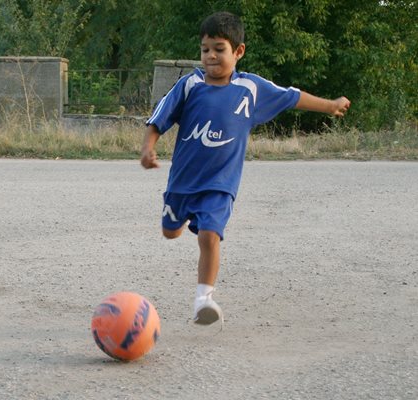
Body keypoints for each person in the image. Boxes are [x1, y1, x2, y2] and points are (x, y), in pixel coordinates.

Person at [141, 11, 350, 325]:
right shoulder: (190, 84)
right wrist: (148, 147)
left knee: (210, 235)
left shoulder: (251, 88)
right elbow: (159, 117)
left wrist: (330, 105)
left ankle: (204, 300)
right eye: (205, 49)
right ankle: (179, 218)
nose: (211, 55)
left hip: (220, 185)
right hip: (182, 184)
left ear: (238, 52)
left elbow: (292, 97)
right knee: (170, 233)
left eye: (219, 49)